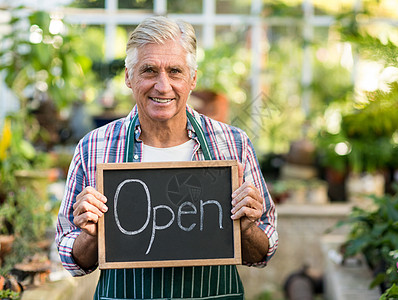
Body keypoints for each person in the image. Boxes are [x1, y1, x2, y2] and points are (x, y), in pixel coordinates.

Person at [55, 15, 278, 299]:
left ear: (193, 79)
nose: (163, 86)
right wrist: (89, 234)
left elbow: (262, 252)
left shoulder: (233, 145)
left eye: (175, 71)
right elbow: (73, 260)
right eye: (149, 70)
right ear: (128, 77)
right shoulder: (93, 147)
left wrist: (247, 229)